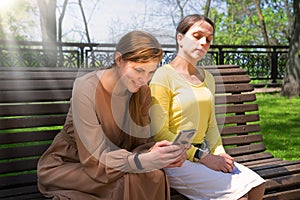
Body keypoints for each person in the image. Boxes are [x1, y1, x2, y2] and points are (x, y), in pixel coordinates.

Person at [37, 30, 187, 200]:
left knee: (155, 176)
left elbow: (141, 143)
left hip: (115, 164)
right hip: (71, 165)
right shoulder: (85, 89)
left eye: (150, 72)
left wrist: (157, 153)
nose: (143, 79)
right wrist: (141, 161)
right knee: (126, 183)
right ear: (119, 60)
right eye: (139, 70)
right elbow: (94, 159)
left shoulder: (142, 92)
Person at [149, 14, 266, 200]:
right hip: (175, 159)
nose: (204, 42)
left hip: (202, 155)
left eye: (209, 39)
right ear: (180, 38)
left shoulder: (208, 78)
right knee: (239, 196)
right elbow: (160, 132)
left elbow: (211, 125)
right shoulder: (163, 76)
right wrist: (202, 157)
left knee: (257, 186)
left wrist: (220, 153)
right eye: (197, 36)